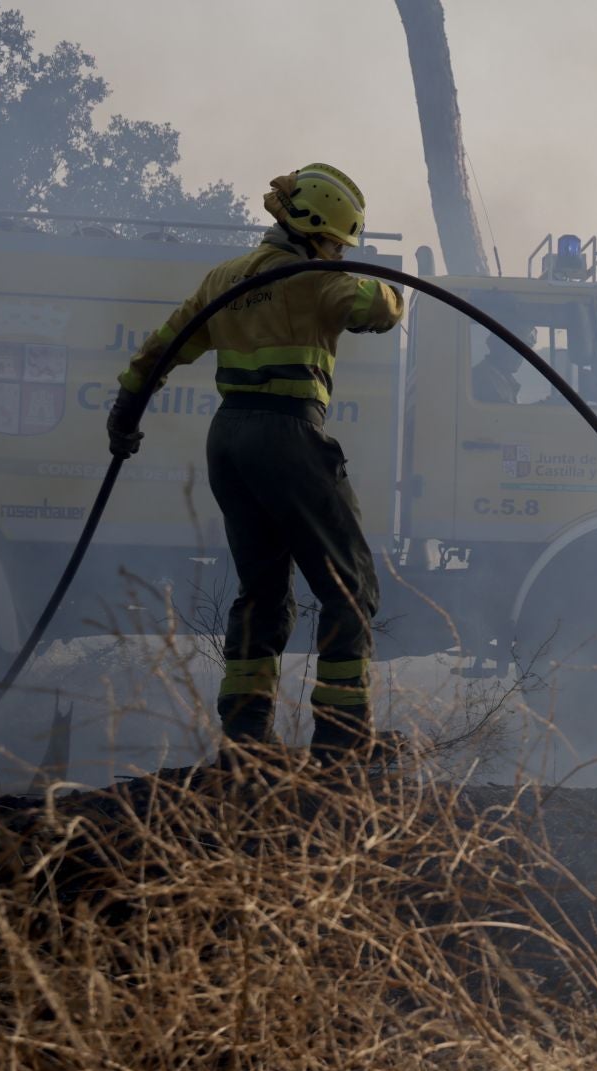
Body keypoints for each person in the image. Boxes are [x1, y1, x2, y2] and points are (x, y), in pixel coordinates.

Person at [105, 163, 404, 765]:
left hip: (230, 441)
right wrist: (391, 290)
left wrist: (124, 417)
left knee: (262, 592)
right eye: (338, 241)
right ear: (318, 229)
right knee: (351, 588)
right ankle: (343, 745)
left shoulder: (224, 278)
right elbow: (380, 310)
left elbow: (160, 350)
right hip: (288, 435)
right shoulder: (316, 278)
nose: (339, 251)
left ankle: (244, 742)